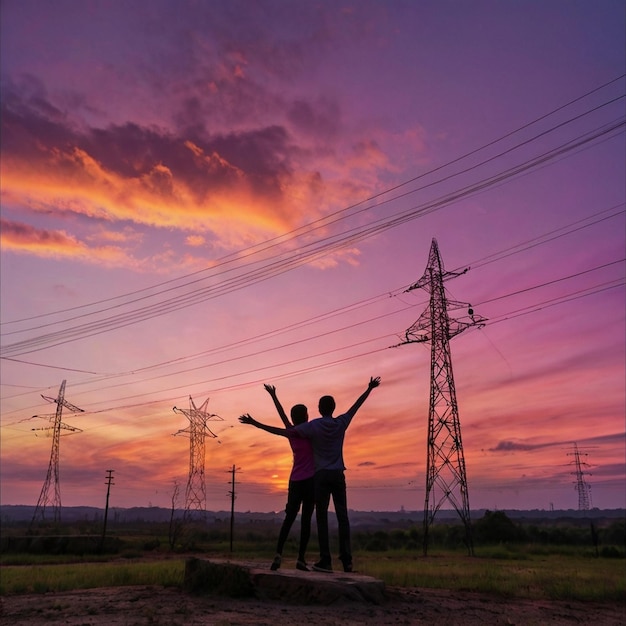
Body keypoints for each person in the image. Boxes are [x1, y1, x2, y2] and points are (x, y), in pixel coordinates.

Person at [295, 376, 381, 574]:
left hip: (321, 476)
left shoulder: (314, 425)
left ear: (319, 408)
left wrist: (258, 425)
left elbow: (290, 431)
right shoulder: (341, 422)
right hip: (338, 475)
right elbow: (355, 407)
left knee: (322, 516)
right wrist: (369, 389)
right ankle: (347, 560)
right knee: (343, 516)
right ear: (333, 408)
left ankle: (326, 560)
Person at [239, 384, 315, 572]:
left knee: (289, 518)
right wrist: (272, 398)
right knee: (305, 520)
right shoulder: (312, 432)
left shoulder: (292, 432)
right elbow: (279, 421)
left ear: (293, 418)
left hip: (295, 481)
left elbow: (278, 422)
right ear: (305, 417)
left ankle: (279, 554)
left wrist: (271, 399)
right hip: (310, 481)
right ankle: (300, 559)